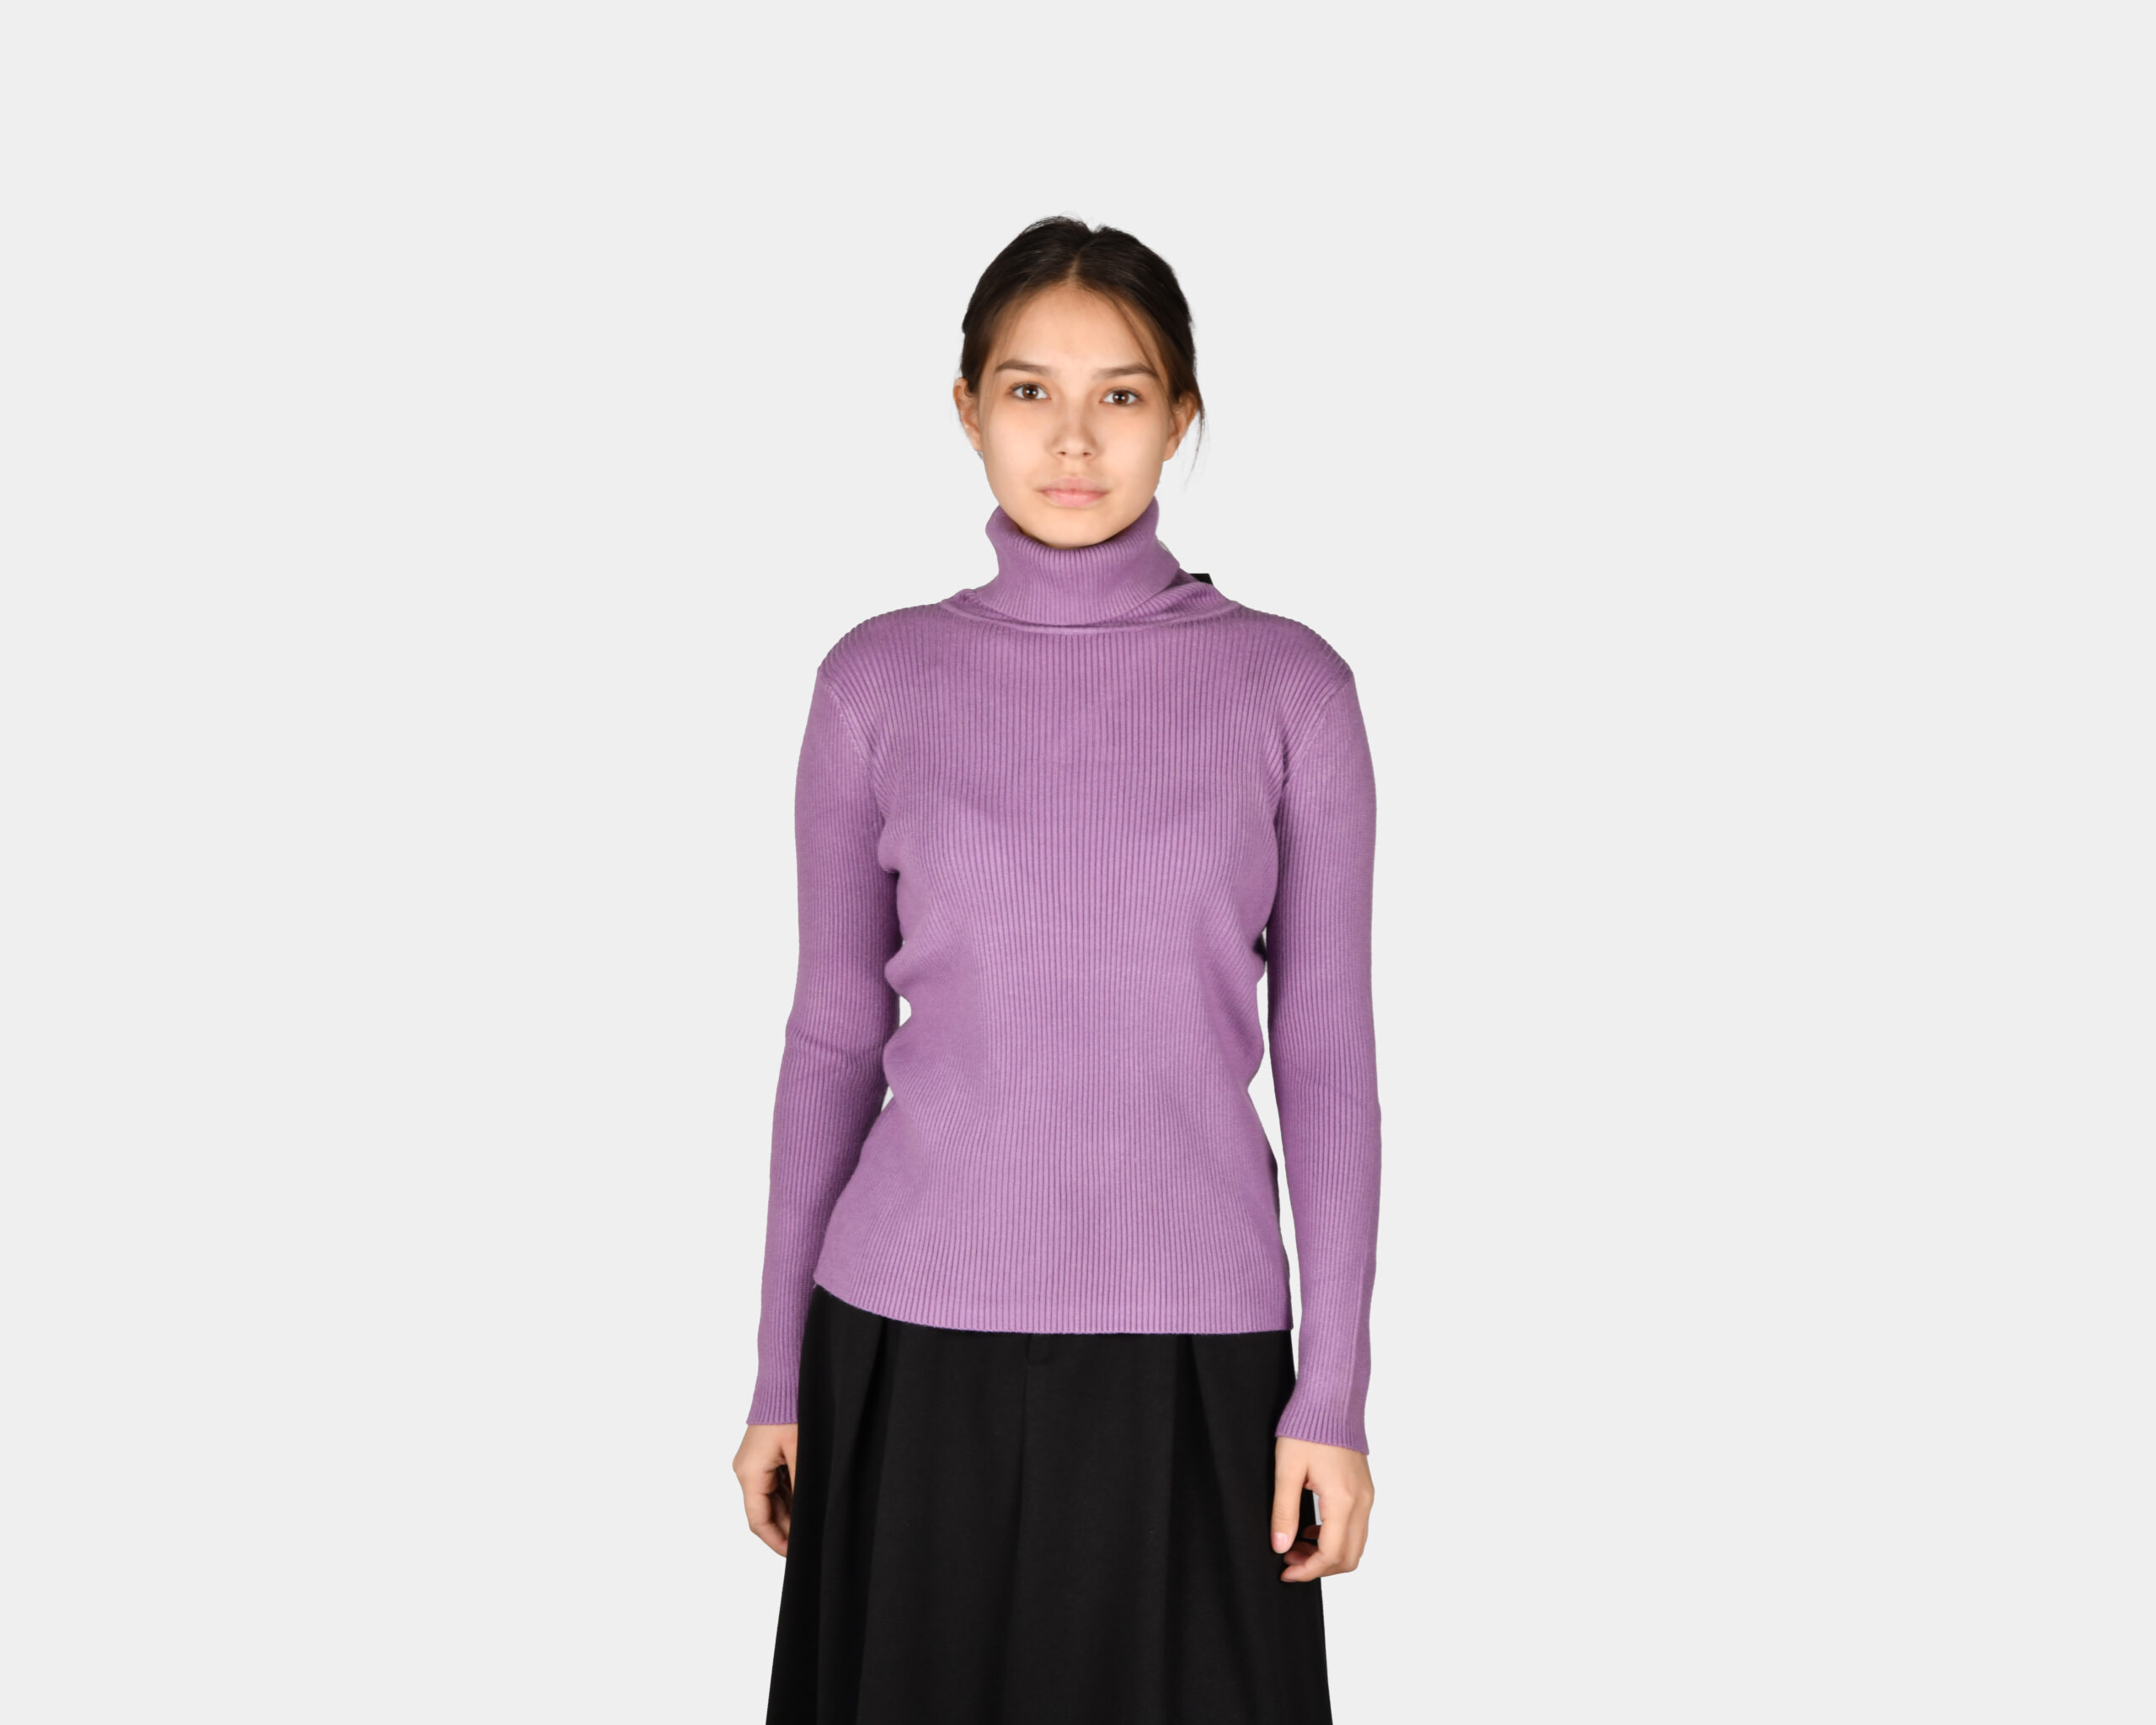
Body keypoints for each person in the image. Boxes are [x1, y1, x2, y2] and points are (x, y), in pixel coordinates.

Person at [733, 215, 1381, 1724]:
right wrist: (777, 1374)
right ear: (968, 408)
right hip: (905, 1346)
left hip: (1197, 1358)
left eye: (1122, 394)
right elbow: (831, 1038)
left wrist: (1333, 1393)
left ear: (1182, 414)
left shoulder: (1292, 689)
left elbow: (1329, 1056)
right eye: (1029, 391)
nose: (1073, 439)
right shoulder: (876, 682)